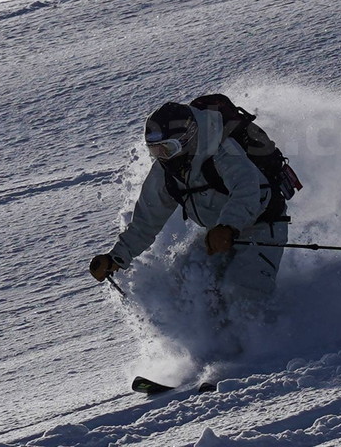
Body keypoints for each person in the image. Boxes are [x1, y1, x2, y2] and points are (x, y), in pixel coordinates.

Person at [89, 100, 289, 317]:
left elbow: (248, 190)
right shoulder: (165, 172)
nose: (162, 156)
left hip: (261, 226)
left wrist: (228, 226)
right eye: (155, 150)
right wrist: (116, 258)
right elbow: (146, 220)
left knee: (244, 294)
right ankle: (210, 345)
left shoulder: (221, 150)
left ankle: (267, 344)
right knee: (185, 284)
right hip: (216, 234)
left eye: (168, 148)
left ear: (188, 139)